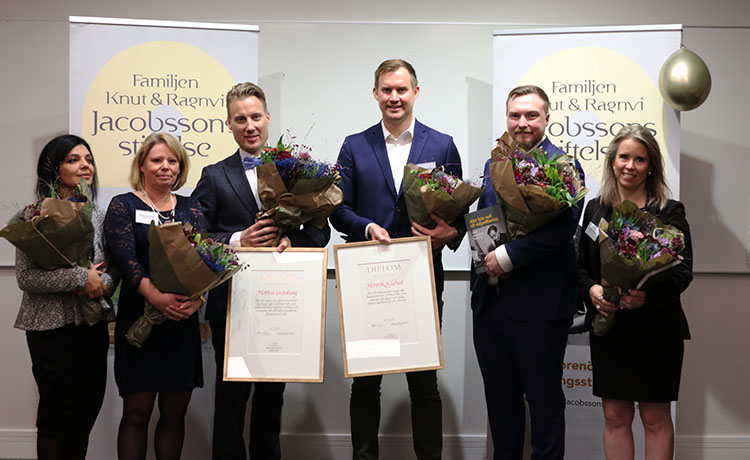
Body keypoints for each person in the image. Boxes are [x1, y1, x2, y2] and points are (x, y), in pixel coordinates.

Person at [330, 59, 465, 460]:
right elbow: (338, 208)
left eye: (401, 89)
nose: (394, 97)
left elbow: (455, 211)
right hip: (368, 278)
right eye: (386, 90)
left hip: (423, 277)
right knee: (366, 384)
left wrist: (448, 234)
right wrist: (367, 227)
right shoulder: (354, 145)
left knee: (423, 383)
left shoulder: (442, 144)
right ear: (375, 94)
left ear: (416, 93)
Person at [191, 82, 330, 460]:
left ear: (268, 119)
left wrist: (293, 242)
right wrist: (239, 239)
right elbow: (197, 237)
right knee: (230, 401)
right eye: (240, 119)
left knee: (271, 401)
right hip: (232, 304)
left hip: (282, 304)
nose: (249, 125)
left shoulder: (297, 170)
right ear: (230, 125)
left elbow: (322, 231)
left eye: (255, 117)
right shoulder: (213, 175)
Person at [470, 85, 583, 459]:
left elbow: (563, 228)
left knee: (545, 408)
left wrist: (511, 255)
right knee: (501, 411)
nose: (522, 123)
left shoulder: (564, 167)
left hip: (540, 309)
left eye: (531, 115)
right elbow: (486, 221)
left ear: (547, 119)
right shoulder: (493, 164)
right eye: (515, 115)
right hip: (490, 308)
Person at [577, 124, 692, 459]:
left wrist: (646, 298)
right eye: (624, 157)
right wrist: (593, 290)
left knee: (655, 418)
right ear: (613, 161)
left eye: (639, 159)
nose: (630, 165)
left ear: (651, 165)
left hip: (657, 329)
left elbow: (684, 271)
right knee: (615, 416)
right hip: (612, 330)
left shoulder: (669, 212)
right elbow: (580, 267)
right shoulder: (595, 210)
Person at [104, 132, 206, 460]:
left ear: (180, 167)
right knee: (136, 412)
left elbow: (205, 260)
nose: (165, 166)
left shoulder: (193, 208)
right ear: (142, 165)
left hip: (182, 322)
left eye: (172, 161)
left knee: (175, 413)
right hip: (140, 320)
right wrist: (156, 296)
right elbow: (125, 259)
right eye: (157, 160)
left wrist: (198, 299)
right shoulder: (123, 204)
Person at [14, 134, 116, 460]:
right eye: (74, 159)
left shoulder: (99, 215)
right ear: (54, 168)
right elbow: (26, 278)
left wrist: (101, 281)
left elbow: (114, 272)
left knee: (84, 415)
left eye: (88, 159)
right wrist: (78, 278)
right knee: (57, 418)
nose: (84, 165)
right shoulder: (32, 216)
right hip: (50, 330)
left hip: (92, 327)